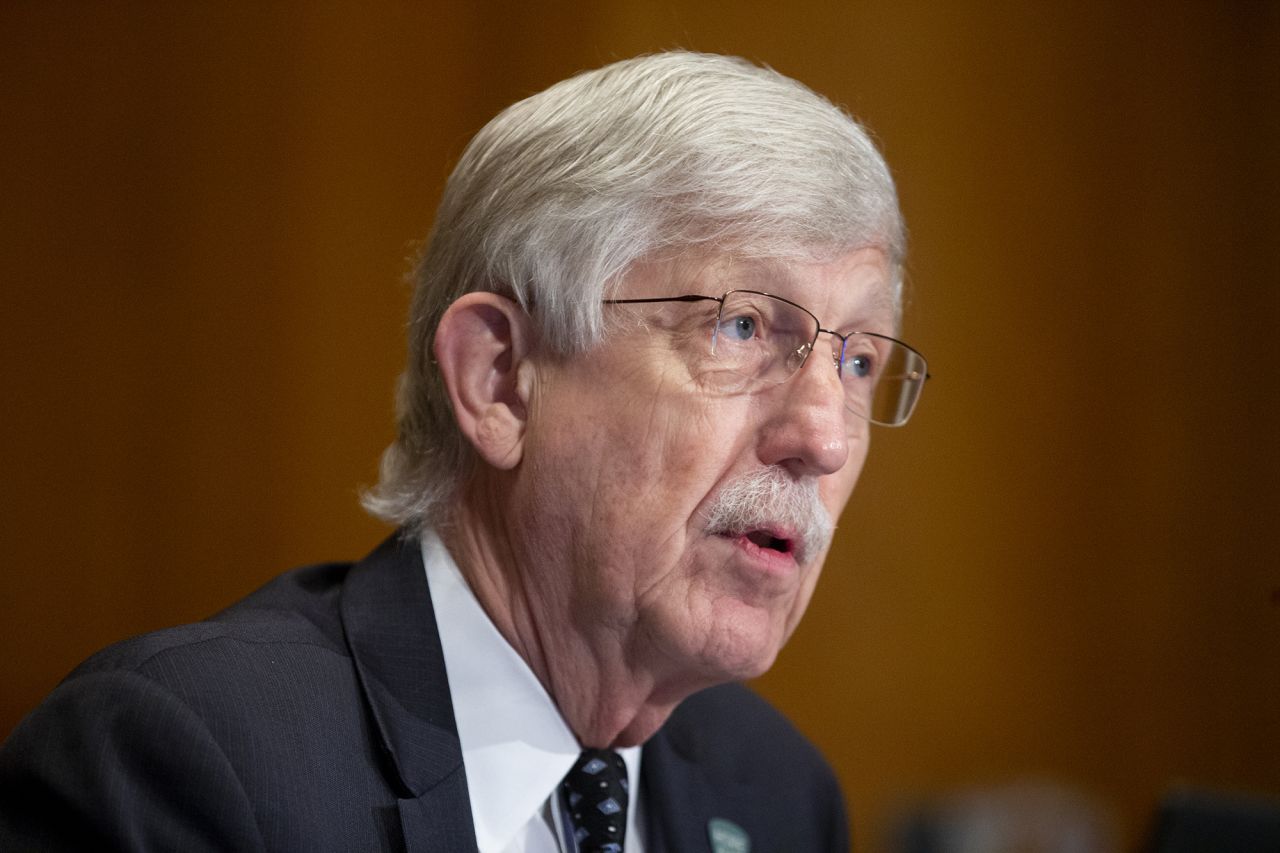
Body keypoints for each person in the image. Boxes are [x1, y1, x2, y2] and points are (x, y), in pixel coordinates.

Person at [0, 51, 928, 852]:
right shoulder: (188, 762)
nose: (826, 435)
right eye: (741, 326)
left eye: (856, 359)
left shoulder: (776, 794)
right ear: (499, 378)